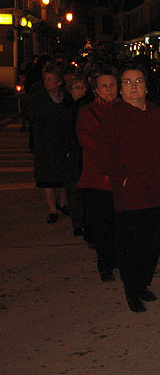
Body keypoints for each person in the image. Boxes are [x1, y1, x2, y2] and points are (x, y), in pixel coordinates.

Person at [95, 63, 160, 313]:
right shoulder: (114, 117)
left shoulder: (155, 114)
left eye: (138, 81)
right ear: (120, 89)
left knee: (153, 243)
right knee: (132, 245)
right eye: (127, 82)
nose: (133, 87)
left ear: (147, 87)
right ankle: (132, 289)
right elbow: (103, 157)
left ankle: (142, 284)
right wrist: (123, 178)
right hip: (132, 194)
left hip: (158, 190)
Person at [76, 64, 120, 283]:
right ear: (96, 89)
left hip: (121, 178)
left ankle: (118, 258)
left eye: (112, 85)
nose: (109, 89)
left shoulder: (125, 109)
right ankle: (105, 263)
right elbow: (85, 139)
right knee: (102, 224)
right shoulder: (87, 111)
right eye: (104, 86)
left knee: (120, 222)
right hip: (98, 177)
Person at [24, 63, 72, 223]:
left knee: (63, 175)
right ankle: (52, 210)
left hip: (62, 142)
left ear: (59, 82)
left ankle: (63, 202)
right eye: (46, 79)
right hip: (45, 142)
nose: (47, 82)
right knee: (47, 177)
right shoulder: (39, 96)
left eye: (51, 79)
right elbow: (33, 115)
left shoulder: (66, 97)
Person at [63, 73, 94, 237]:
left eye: (83, 87)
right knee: (73, 190)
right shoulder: (66, 106)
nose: (80, 91)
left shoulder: (88, 106)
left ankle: (87, 220)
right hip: (72, 153)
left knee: (86, 190)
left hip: (85, 152)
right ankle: (77, 222)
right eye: (77, 88)